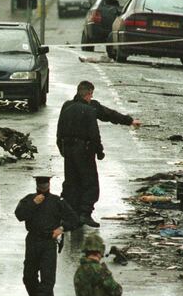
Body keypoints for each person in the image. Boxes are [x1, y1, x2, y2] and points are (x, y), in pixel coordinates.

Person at [56, 80, 141, 228]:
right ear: (89, 94)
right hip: (84, 150)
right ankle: (85, 214)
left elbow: (59, 130)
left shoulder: (67, 106)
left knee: (71, 182)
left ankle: (71, 216)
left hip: (68, 149)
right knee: (90, 183)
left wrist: (62, 148)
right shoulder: (90, 109)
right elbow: (96, 132)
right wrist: (99, 151)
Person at [14, 175, 79, 296]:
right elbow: (19, 215)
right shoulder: (29, 199)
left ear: (49, 185)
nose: (43, 186)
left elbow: (74, 219)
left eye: (45, 183)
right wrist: (33, 204)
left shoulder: (57, 201)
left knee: (47, 276)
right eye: (41, 184)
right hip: (33, 240)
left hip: (49, 242)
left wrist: (61, 228)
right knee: (29, 275)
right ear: (37, 185)